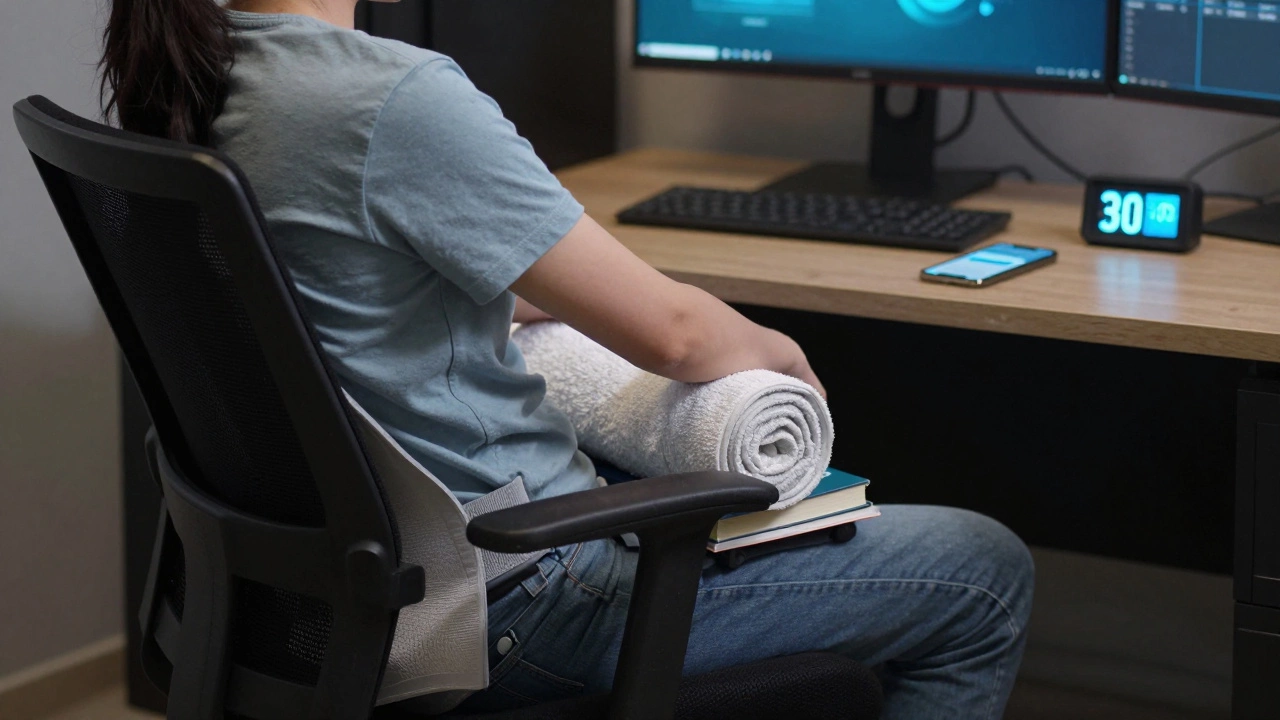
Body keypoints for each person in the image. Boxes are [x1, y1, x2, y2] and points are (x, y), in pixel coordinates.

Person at [99, 1, 1034, 717]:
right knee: (982, 571)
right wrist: (777, 355)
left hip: (317, 603)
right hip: (521, 602)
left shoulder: (203, 79)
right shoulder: (389, 97)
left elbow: (344, 285)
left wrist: (505, 286)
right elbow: (678, 336)